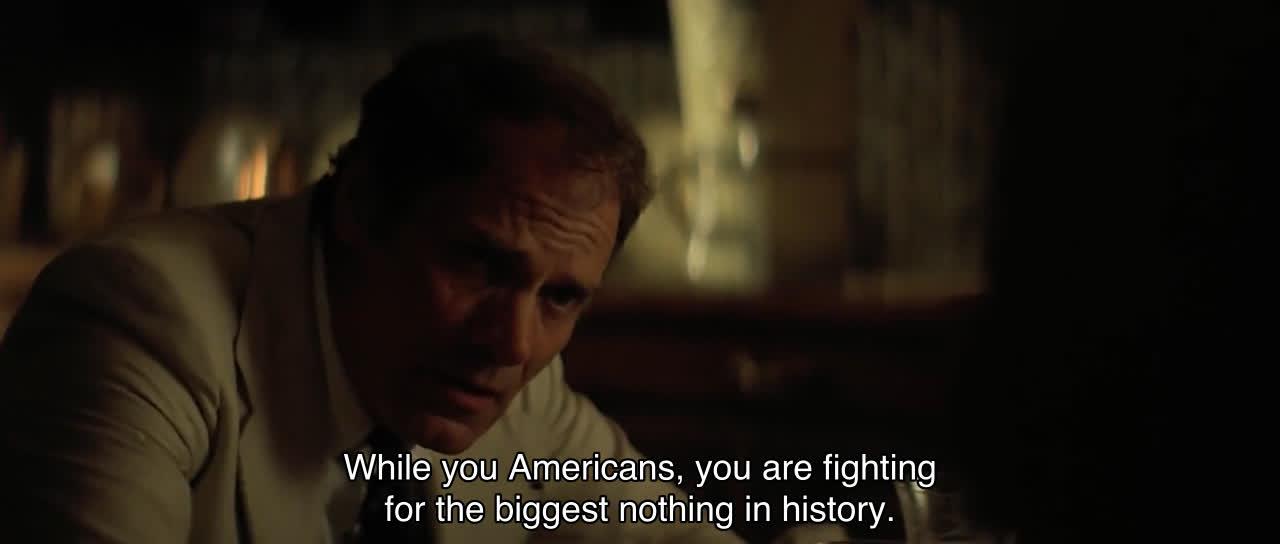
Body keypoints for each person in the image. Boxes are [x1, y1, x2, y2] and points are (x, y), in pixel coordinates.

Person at [0, 35, 848, 543]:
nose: (513, 343)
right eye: (478, 263)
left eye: (562, 298)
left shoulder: (517, 381)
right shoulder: (142, 321)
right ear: (361, 209)